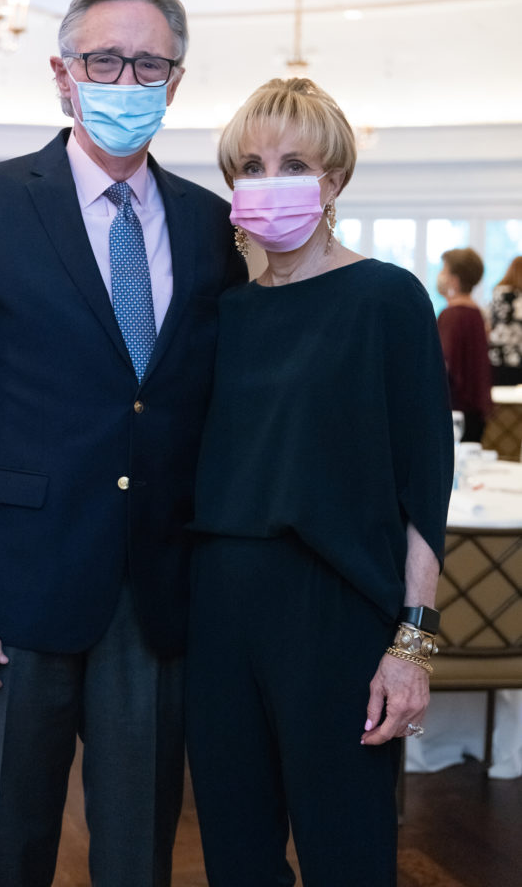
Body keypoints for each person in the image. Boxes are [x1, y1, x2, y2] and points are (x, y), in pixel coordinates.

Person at [0, 0, 246, 887]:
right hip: (13, 590)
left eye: (148, 64)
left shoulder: (215, 228)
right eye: (104, 60)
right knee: (9, 848)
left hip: (156, 590)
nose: (125, 79)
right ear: (63, 74)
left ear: (174, 83)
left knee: (139, 851)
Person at [184, 78, 453, 887]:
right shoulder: (223, 310)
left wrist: (412, 646)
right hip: (218, 608)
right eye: (250, 167)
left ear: (333, 180)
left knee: (346, 850)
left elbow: (423, 489)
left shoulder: (386, 298)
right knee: (236, 849)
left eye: (292, 162)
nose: (268, 183)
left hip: (333, 609)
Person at [437, 247, 492, 441]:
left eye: (443, 270)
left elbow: (444, 363)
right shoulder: (477, 313)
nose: (440, 276)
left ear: (454, 279)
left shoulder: (452, 315)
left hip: (456, 410)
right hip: (476, 407)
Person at [487, 255, 522, 385]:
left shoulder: (497, 294)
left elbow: (488, 323)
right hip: (516, 358)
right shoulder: (518, 298)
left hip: (495, 356)